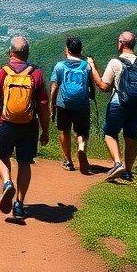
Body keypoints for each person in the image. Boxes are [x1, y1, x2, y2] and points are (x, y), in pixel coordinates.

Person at [0, 36, 50, 219]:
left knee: (0, 157)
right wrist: (46, 130)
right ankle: (19, 203)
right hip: (29, 126)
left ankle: (6, 183)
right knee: (24, 163)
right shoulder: (36, 74)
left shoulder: (0, 73)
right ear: (27, 54)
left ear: (11, 52)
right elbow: (44, 106)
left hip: (5, 124)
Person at [88, 31, 137, 182]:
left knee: (110, 133)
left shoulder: (115, 62)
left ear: (121, 43)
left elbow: (103, 86)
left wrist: (92, 67)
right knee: (131, 137)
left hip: (118, 103)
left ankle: (118, 163)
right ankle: (128, 172)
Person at [50, 36, 93, 174]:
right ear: (80, 50)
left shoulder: (60, 66)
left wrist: (53, 105)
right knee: (82, 131)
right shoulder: (86, 65)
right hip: (82, 104)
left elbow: (54, 88)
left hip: (64, 104)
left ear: (67, 49)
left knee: (64, 130)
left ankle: (68, 161)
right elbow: (91, 85)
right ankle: (81, 146)